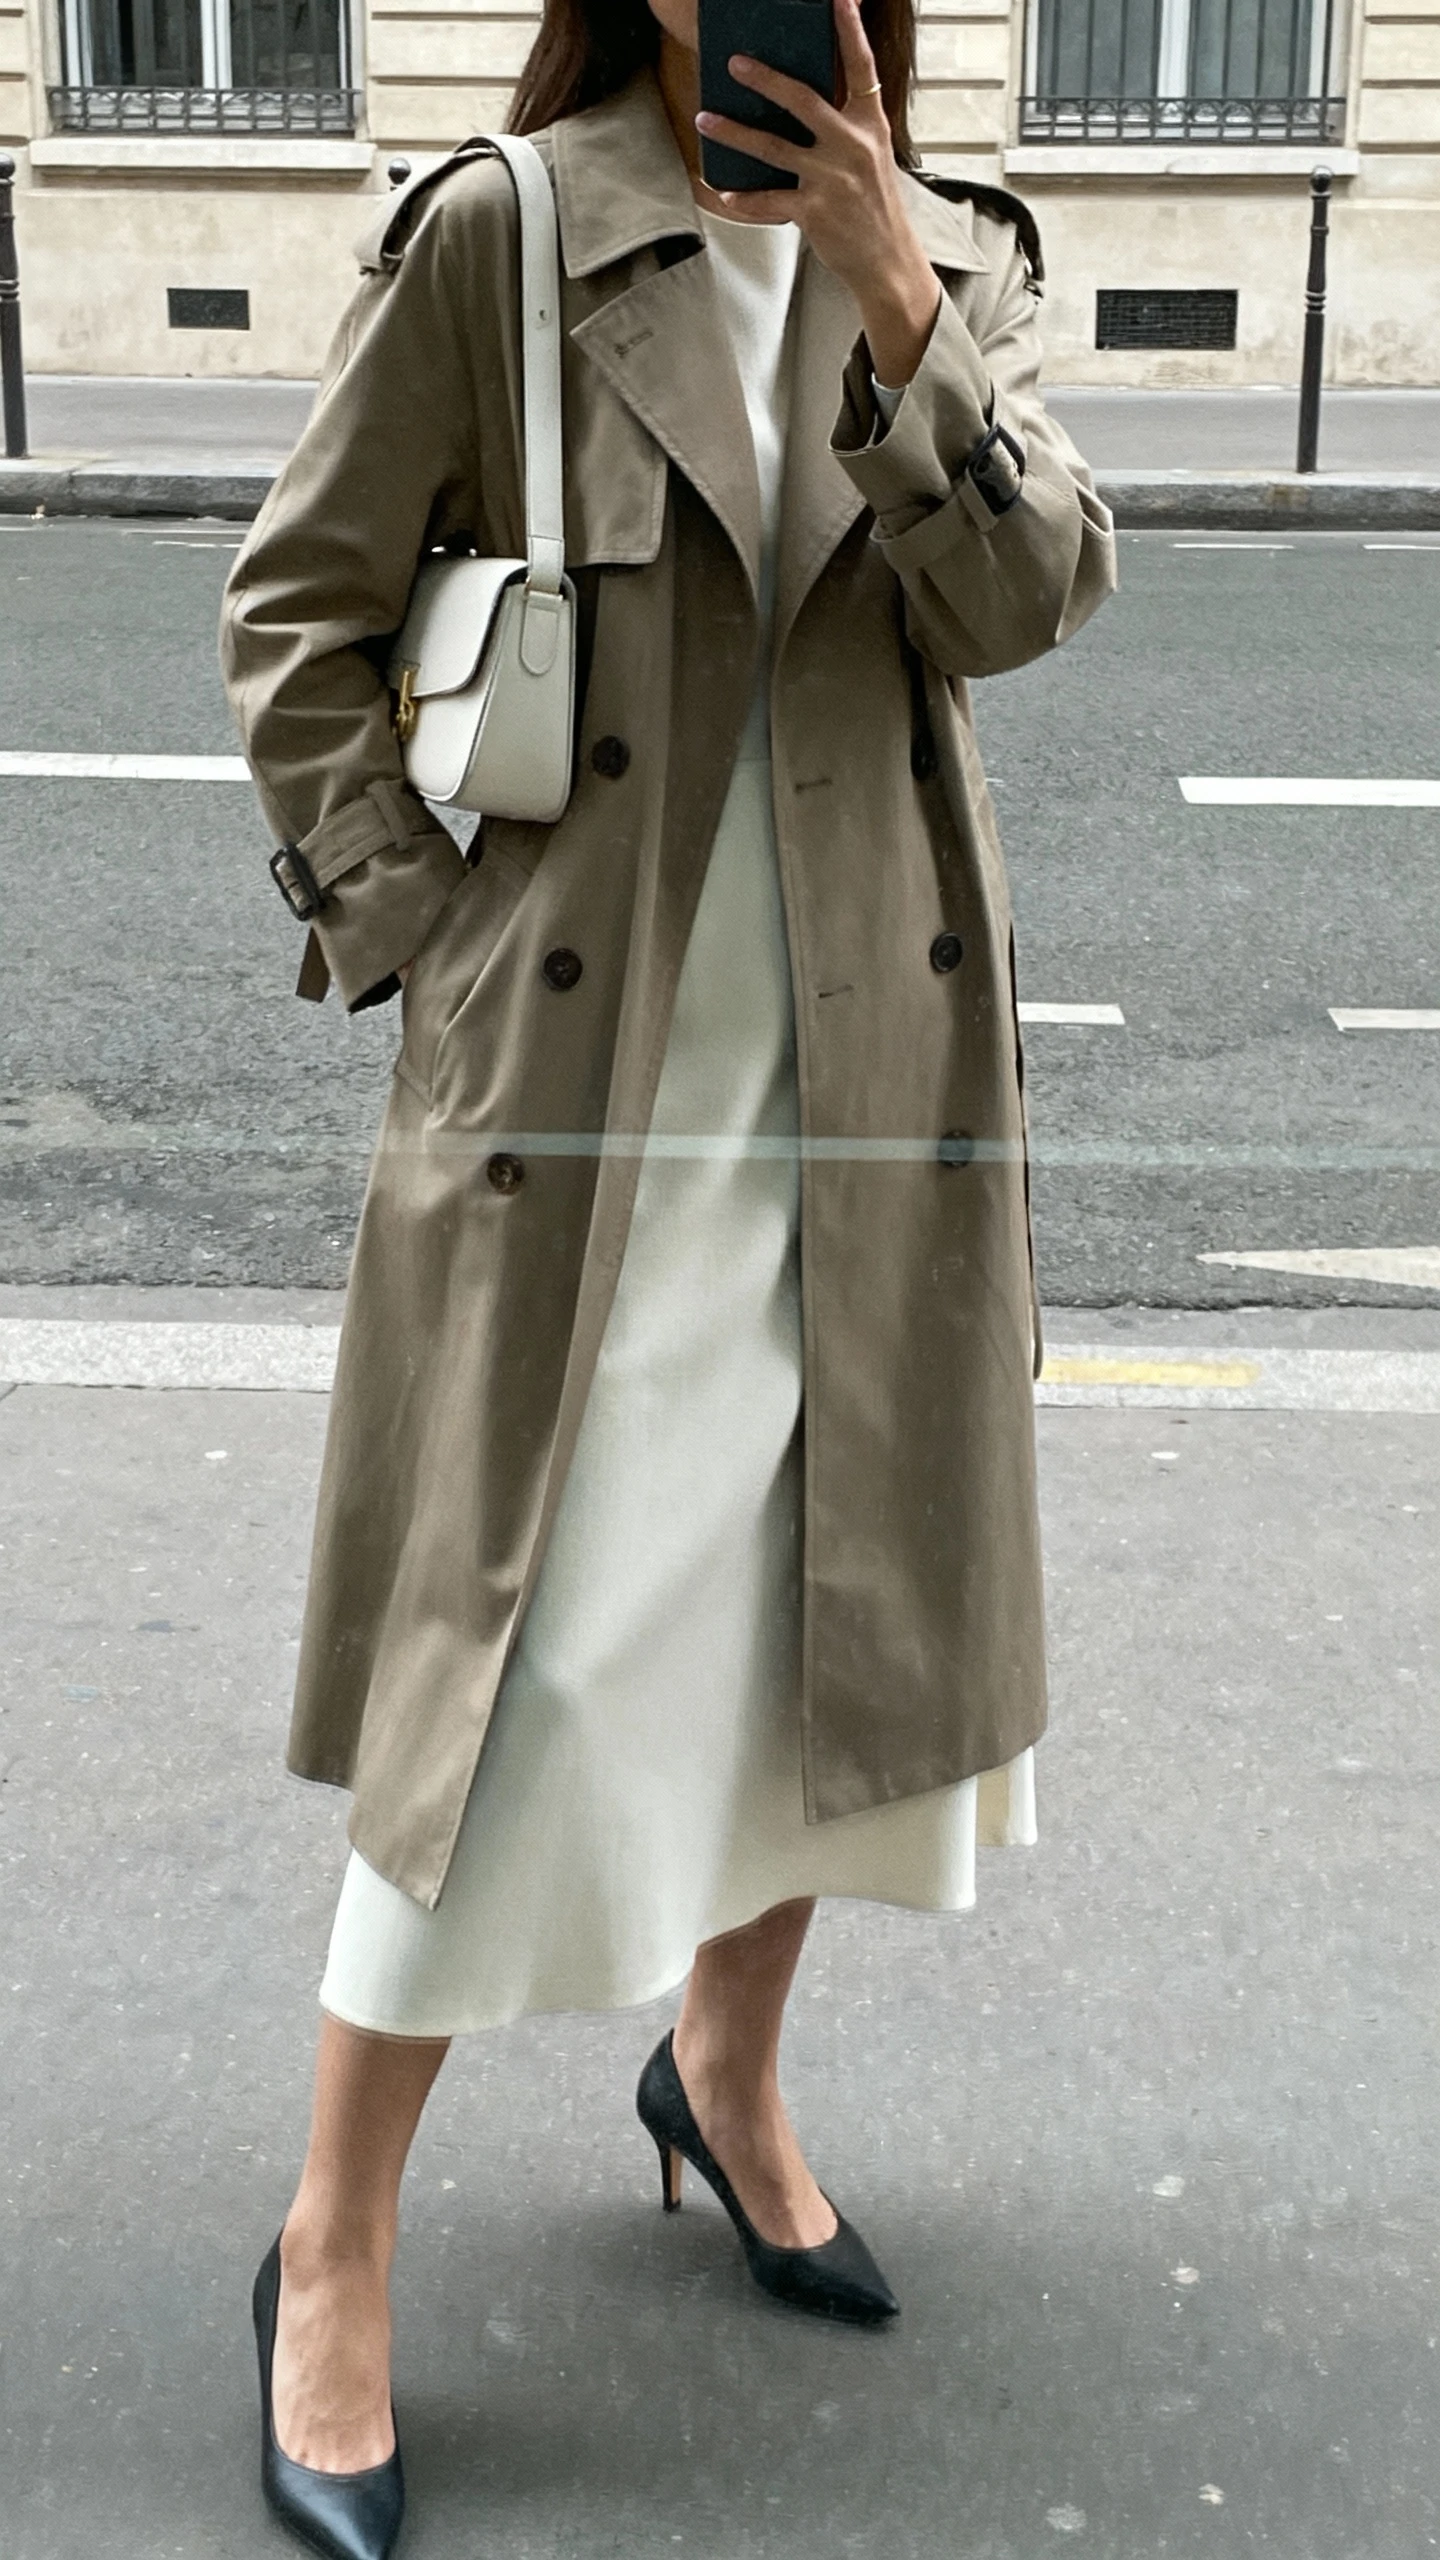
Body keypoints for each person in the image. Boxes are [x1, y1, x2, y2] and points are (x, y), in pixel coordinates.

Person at [220, 0, 1116, 2544]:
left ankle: (723, 2074)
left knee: (830, 1632)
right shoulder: (505, 239)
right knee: (501, 1688)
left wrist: (895, 301)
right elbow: (298, 612)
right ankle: (332, 2239)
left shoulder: (954, 257)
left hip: (866, 1101)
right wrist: (427, 944)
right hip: (587, 1122)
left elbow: (1031, 595)